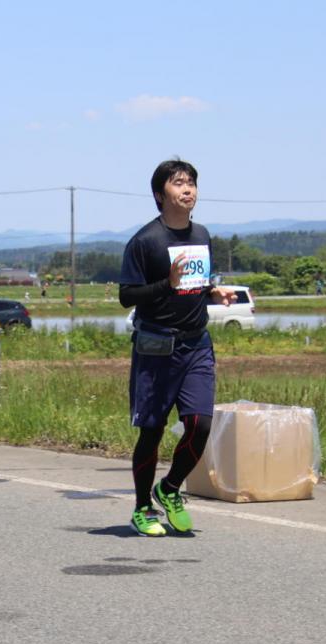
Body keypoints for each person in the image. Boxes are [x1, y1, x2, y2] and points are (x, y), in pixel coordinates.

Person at [119, 159, 236, 536]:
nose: (187, 190)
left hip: (197, 344)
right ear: (159, 195)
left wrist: (213, 291)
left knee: (200, 424)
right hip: (156, 347)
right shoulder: (145, 241)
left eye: (191, 184)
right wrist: (167, 284)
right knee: (151, 433)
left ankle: (169, 489)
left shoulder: (201, 234)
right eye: (178, 184)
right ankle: (141, 509)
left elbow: (197, 283)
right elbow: (127, 296)